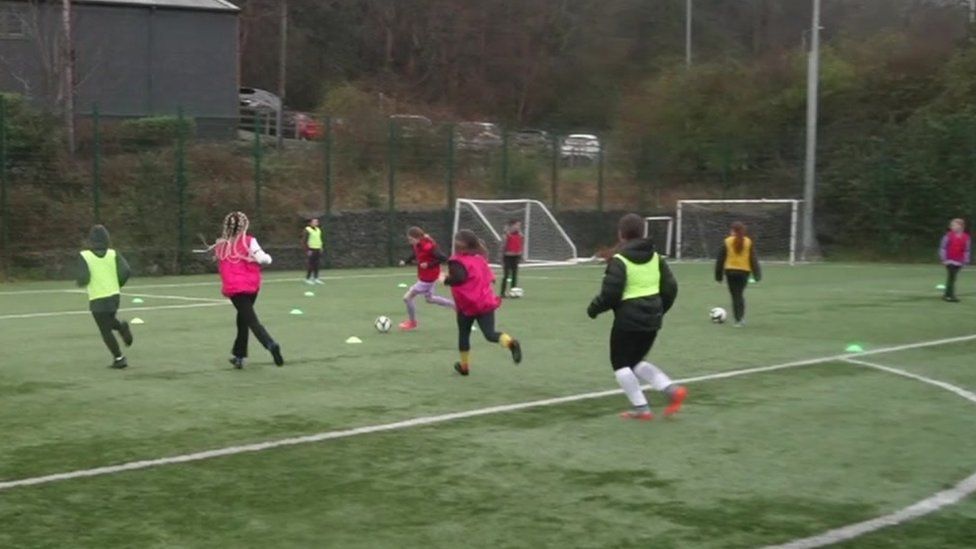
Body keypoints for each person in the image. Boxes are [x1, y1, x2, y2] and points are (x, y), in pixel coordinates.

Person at [588, 213, 686, 420]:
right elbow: (671, 288)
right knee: (635, 361)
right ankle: (672, 390)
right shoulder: (657, 258)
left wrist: (594, 309)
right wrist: (659, 309)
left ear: (621, 234)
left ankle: (642, 409)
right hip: (652, 319)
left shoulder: (620, 260)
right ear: (643, 233)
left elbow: (610, 294)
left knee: (620, 364)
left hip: (628, 321)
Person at [443, 229, 522, 376]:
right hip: (485, 303)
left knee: (464, 335)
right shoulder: (480, 259)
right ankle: (511, 343)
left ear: (459, 245)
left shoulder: (456, 261)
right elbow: (490, 278)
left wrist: (445, 279)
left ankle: (464, 367)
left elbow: (459, 278)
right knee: (490, 334)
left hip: (467, 306)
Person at [212, 211, 284, 368]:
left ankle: (270, 344)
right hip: (251, 286)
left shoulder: (222, 245)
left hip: (235, 288)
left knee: (250, 320)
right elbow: (264, 259)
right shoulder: (249, 241)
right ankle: (239, 356)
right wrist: (265, 257)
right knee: (242, 320)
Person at [76, 225, 134, 369]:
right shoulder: (113, 254)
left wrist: (81, 281)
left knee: (105, 329)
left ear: (91, 240)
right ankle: (121, 328)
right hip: (114, 296)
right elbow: (126, 270)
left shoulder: (85, 256)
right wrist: (118, 284)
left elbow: (83, 278)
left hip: (97, 298)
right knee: (108, 320)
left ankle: (119, 358)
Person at [397, 226, 454, 331]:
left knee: (407, 298)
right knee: (430, 299)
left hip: (428, 278)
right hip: (426, 276)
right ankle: (456, 306)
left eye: (411, 239)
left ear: (417, 237)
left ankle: (412, 323)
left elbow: (443, 258)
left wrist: (429, 264)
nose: (410, 242)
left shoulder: (428, 246)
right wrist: (406, 261)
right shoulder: (418, 244)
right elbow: (416, 254)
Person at [714, 221, 761, 327]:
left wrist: (719, 276)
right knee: (740, 295)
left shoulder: (727, 241)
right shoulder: (748, 242)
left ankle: (738, 319)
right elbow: (753, 259)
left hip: (730, 272)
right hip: (744, 272)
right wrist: (757, 274)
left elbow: (720, 260)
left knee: (735, 296)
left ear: (732, 231)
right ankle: (741, 319)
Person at [940, 218, 971, 303]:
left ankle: (946, 294)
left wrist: (966, 261)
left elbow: (966, 250)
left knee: (952, 278)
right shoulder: (948, 235)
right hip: (949, 260)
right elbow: (943, 247)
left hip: (959, 261)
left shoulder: (966, 237)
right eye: (951, 225)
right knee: (952, 277)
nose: (951, 227)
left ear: (960, 226)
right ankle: (951, 296)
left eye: (954, 225)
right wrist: (943, 259)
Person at [500, 219, 524, 297]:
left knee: (514, 275)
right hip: (507, 257)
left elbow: (520, 245)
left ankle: (513, 292)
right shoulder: (506, 235)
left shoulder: (520, 235)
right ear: (512, 226)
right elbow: (503, 247)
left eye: (519, 225)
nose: (518, 227)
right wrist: (501, 258)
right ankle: (502, 293)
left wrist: (520, 255)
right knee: (506, 275)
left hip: (515, 257)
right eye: (517, 225)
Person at [303, 218, 324, 285]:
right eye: (314, 222)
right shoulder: (307, 230)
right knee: (310, 264)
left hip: (317, 248)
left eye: (316, 222)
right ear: (311, 223)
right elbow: (304, 241)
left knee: (317, 264)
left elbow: (319, 239)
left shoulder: (318, 230)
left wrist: (321, 247)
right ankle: (307, 278)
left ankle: (316, 278)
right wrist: (307, 250)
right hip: (311, 249)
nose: (316, 223)